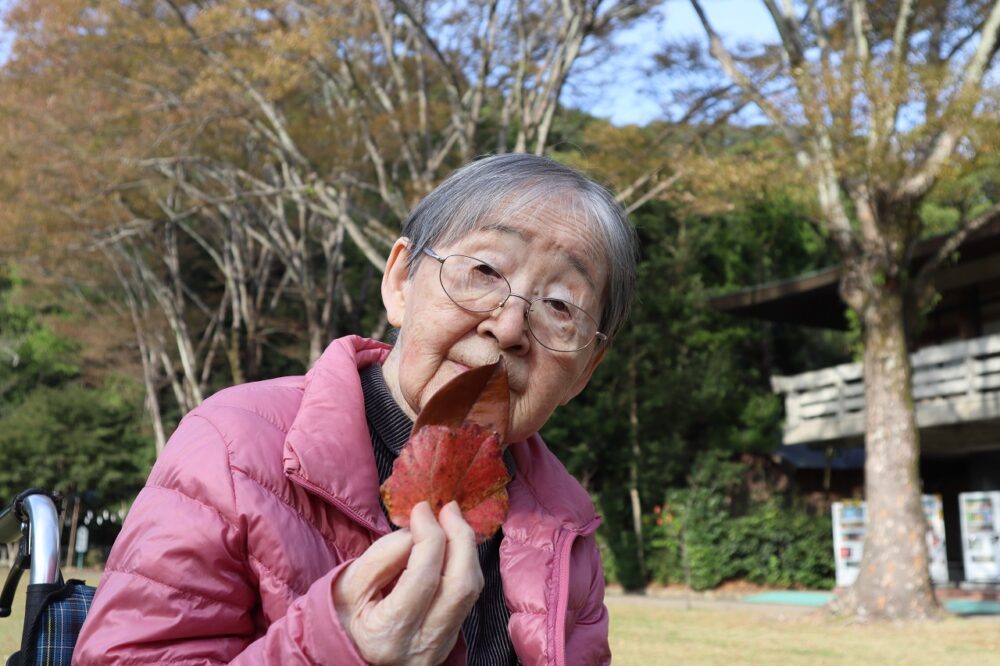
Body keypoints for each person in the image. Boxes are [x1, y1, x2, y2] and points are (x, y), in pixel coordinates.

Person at [74, 153, 637, 665]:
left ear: (585, 371)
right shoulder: (231, 449)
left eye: (561, 305)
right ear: (399, 281)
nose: (509, 326)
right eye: (485, 271)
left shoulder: (566, 527)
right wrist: (340, 650)